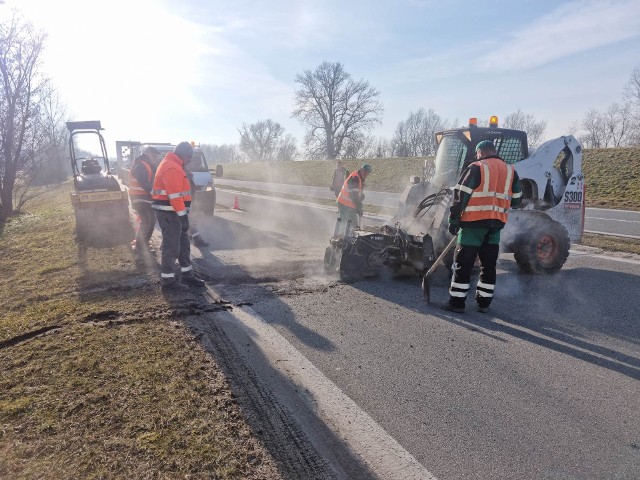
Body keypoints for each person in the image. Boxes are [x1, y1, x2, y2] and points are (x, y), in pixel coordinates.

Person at [443, 140, 522, 313]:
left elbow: (460, 196)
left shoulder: (476, 167)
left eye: (477, 154)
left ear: (480, 152)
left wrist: (454, 221)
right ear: (493, 151)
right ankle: (484, 303)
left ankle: (457, 303)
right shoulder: (511, 171)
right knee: (488, 266)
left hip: (472, 225)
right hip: (495, 226)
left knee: (463, 264)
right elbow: (517, 199)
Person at [152, 142, 206, 291]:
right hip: (170, 214)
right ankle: (168, 282)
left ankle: (187, 275)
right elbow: (175, 196)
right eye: (189, 157)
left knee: (183, 244)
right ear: (184, 155)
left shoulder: (174, 165)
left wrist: (183, 216)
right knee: (172, 247)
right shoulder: (172, 167)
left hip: (174, 213)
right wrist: (183, 217)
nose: (189, 161)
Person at [128, 146, 161, 258]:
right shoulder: (140, 165)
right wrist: (154, 192)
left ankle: (144, 246)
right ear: (147, 153)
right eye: (153, 155)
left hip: (146, 198)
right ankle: (138, 247)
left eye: (156, 156)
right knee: (147, 221)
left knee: (151, 222)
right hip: (139, 198)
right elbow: (143, 182)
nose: (155, 158)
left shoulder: (149, 165)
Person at [336, 164, 372, 236]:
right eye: (365, 172)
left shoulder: (360, 179)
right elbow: (354, 195)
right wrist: (359, 208)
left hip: (350, 205)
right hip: (344, 203)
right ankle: (339, 240)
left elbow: (357, 194)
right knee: (347, 223)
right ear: (361, 170)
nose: (366, 174)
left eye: (367, 173)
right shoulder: (355, 177)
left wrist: (361, 195)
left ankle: (348, 239)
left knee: (353, 225)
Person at [186, 169, 210, 248]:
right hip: (185, 203)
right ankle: (197, 240)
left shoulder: (186, 173)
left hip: (188, 202)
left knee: (188, 222)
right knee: (189, 222)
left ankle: (194, 238)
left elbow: (191, 189)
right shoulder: (183, 173)